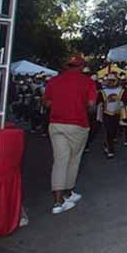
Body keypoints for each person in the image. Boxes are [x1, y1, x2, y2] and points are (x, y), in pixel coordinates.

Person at [43, 55, 97, 215]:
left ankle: (58, 202)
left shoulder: (54, 81)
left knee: (60, 160)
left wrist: (60, 104)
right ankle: (67, 193)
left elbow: (46, 102)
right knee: (73, 160)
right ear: (81, 67)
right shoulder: (88, 82)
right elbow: (92, 106)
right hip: (77, 124)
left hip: (56, 123)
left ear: (66, 66)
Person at [98, 74, 124, 159]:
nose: (111, 82)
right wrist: (99, 117)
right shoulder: (102, 91)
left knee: (113, 131)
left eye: (113, 80)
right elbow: (99, 104)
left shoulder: (121, 90)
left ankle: (108, 144)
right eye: (109, 80)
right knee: (107, 131)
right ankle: (110, 150)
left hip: (117, 114)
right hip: (106, 113)